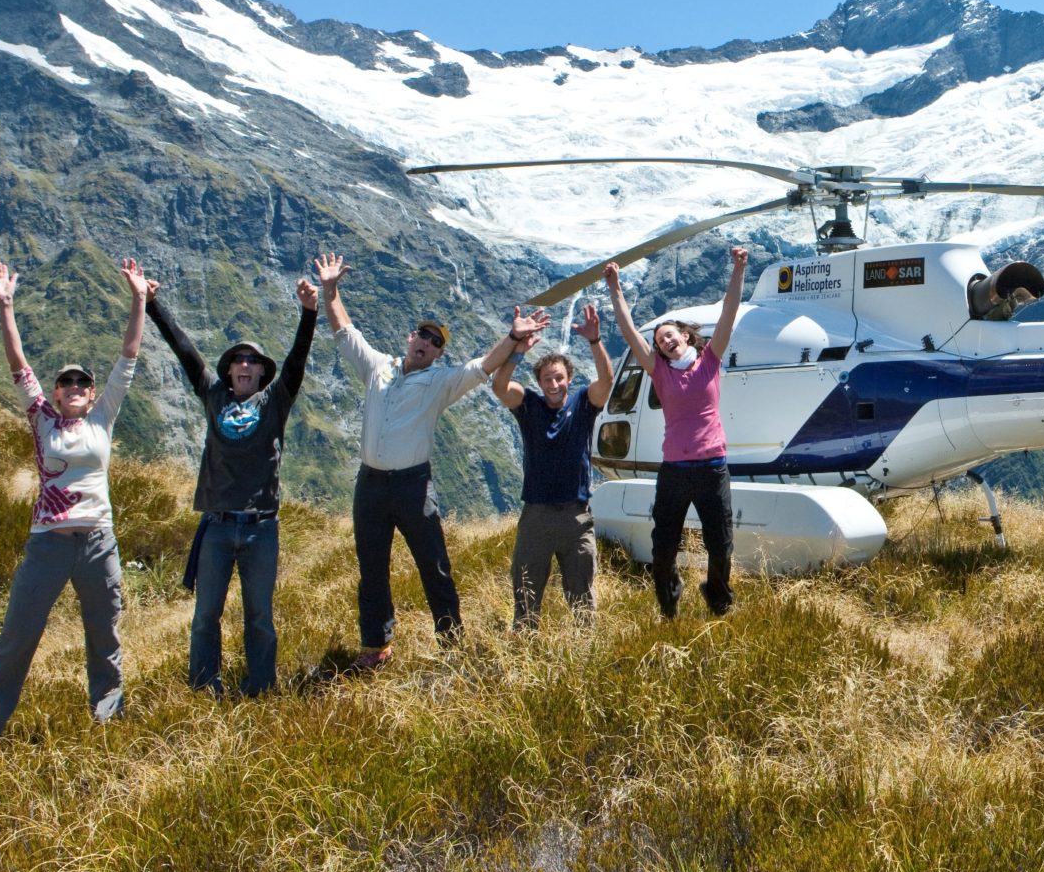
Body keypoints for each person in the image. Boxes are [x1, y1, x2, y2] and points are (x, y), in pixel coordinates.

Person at [0, 257, 150, 776]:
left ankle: (108, 723)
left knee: (105, 637)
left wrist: (138, 299)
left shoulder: (104, 417)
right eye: (66, 383)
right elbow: (18, 363)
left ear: (91, 394)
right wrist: (5, 306)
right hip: (47, 542)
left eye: (81, 384)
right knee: (18, 637)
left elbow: (128, 355)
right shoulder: (39, 416)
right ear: (56, 392)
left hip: (98, 544)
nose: (73, 389)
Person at [315, 251, 545, 669]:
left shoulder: (442, 381)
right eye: (423, 335)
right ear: (410, 338)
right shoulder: (378, 368)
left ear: (439, 354)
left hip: (412, 485)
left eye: (436, 342)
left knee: (434, 566)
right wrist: (330, 290)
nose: (427, 343)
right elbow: (344, 330)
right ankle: (376, 646)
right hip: (369, 484)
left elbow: (482, 367)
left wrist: (512, 339)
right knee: (372, 569)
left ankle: (451, 643)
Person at [144, 273, 318, 697]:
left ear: (262, 373)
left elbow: (297, 359)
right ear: (229, 371)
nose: (244, 365)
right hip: (217, 527)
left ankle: (259, 687)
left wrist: (309, 311)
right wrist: (152, 304)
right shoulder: (214, 395)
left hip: (261, 527)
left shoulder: (275, 401)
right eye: (237, 360)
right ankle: (205, 688)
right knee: (206, 615)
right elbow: (183, 350)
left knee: (259, 616)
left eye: (252, 361)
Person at [603, 245, 748, 619]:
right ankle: (669, 602)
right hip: (675, 472)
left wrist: (738, 269)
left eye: (671, 335)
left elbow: (729, 312)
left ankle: (718, 600)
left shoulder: (710, 360)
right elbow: (629, 331)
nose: (665, 341)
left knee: (721, 545)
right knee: (663, 547)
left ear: (685, 336)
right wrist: (615, 288)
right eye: (660, 340)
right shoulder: (659, 372)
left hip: (712, 468)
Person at [490, 301, 613, 629]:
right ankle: (524, 652)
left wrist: (595, 341)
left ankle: (583, 654)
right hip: (537, 516)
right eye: (547, 379)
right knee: (526, 594)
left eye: (559, 378)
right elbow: (500, 387)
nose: (554, 384)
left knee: (582, 595)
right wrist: (517, 350)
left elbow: (607, 381)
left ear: (569, 379)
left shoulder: (584, 404)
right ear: (540, 382)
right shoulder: (528, 405)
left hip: (577, 516)